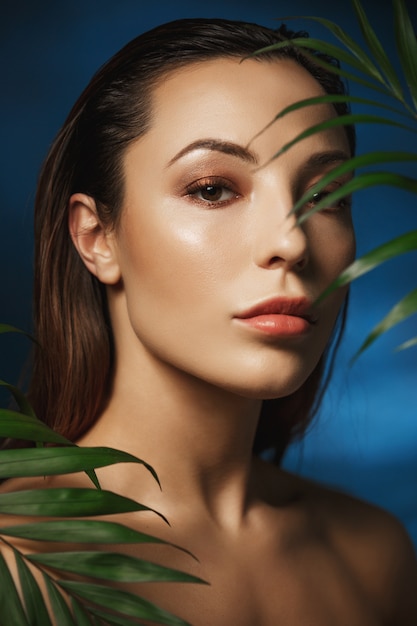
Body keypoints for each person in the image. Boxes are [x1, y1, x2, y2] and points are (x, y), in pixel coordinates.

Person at [1, 17, 417, 625]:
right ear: (97, 238)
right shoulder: (18, 559)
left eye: (327, 196)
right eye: (214, 189)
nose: (292, 241)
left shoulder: (372, 555)